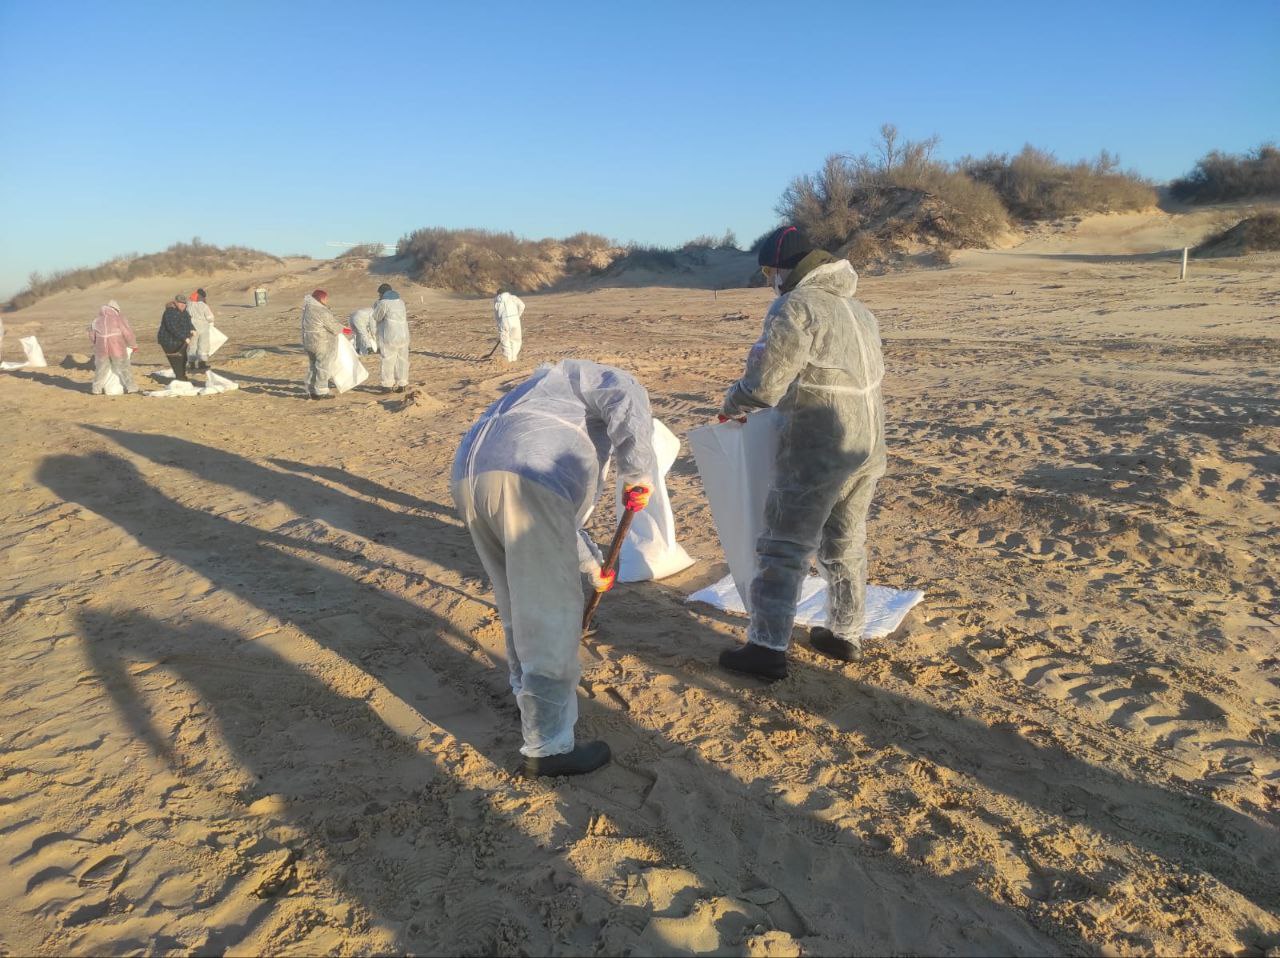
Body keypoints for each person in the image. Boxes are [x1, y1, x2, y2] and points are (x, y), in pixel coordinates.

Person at [451, 359, 656, 777]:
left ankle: (528, 701)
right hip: (526, 477)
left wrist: (593, 567)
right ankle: (548, 746)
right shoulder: (597, 379)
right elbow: (626, 395)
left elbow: (555, 523)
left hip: (470, 479)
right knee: (549, 613)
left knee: (516, 600)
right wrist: (638, 472)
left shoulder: (536, 399)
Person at [717, 226, 886, 680]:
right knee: (845, 542)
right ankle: (846, 633)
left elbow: (765, 385)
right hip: (867, 445)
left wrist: (732, 404)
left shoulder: (796, 306)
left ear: (783, 269)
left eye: (769, 273)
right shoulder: (859, 311)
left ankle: (767, 647)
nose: (770, 281)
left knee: (784, 546)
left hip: (818, 448)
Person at [300, 289, 342, 399]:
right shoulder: (321, 311)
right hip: (321, 343)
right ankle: (321, 391)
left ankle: (312, 390)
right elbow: (334, 327)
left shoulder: (307, 309)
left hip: (308, 342)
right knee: (323, 367)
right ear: (321, 298)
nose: (327, 301)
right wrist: (344, 330)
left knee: (313, 367)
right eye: (326, 298)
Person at [90, 300, 138, 394]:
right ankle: (132, 388)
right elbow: (127, 333)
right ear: (116, 309)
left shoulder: (96, 320)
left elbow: (92, 336)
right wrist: (133, 345)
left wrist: (97, 343)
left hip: (101, 349)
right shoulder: (118, 318)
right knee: (124, 368)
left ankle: (96, 389)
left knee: (101, 370)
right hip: (117, 347)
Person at [372, 283, 410, 391]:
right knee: (402, 360)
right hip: (404, 335)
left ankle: (387, 385)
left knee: (388, 360)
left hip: (390, 335)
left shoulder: (383, 303)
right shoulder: (400, 302)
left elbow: (377, 317)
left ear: (382, 293)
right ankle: (402, 383)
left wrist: (376, 305)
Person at [158, 294, 195, 381]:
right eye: (180, 303)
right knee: (176, 360)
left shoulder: (185, 312)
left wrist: (192, 329)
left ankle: (182, 377)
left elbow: (188, 322)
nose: (183, 305)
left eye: (184, 303)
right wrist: (184, 337)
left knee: (184, 358)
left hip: (180, 340)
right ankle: (180, 378)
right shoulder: (170, 312)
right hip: (168, 340)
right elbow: (172, 327)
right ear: (175, 303)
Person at [186, 288, 216, 370]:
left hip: (191, 327)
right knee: (203, 345)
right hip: (203, 327)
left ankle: (191, 364)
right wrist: (211, 322)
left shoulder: (189, 304)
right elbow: (210, 317)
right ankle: (202, 363)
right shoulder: (204, 305)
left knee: (192, 345)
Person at [493, 290, 526, 362]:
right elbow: (522, 306)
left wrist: (499, 324)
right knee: (516, 339)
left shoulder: (496, 301)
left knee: (505, 340)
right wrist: (518, 315)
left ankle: (508, 358)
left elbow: (496, 315)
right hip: (515, 319)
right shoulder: (512, 297)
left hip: (503, 321)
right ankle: (514, 356)